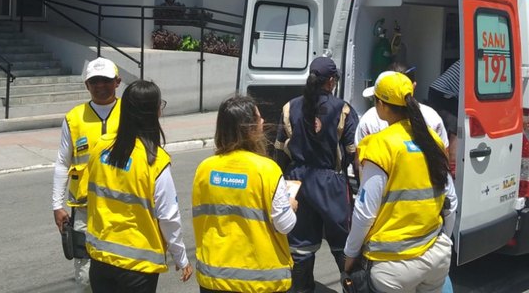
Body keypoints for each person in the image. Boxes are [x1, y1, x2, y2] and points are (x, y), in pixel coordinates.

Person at [344, 72, 458, 293]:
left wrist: (350, 255)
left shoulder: (379, 146)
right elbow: (450, 201)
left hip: (394, 265)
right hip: (436, 255)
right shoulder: (432, 140)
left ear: (382, 104)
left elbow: (365, 213)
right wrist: (441, 240)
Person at [85, 80, 192, 292]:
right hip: (137, 267)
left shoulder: (101, 146)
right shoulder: (155, 160)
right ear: (153, 113)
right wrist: (181, 258)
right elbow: (168, 218)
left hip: (100, 259)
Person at [193, 95, 297, 293]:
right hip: (261, 281)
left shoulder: (204, 169)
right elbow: (285, 225)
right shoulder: (268, 170)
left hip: (214, 278)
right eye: (258, 118)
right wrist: (290, 205)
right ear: (249, 128)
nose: (263, 121)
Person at [274, 56, 358, 292]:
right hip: (332, 185)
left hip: (297, 183)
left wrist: (280, 185)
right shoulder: (342, 109)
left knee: (300, 248)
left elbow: (279, 151)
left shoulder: (290, 107)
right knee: (343, 245)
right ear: (331, 81)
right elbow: (353, 153)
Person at [52, 57, 122, 292]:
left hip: (123, 207)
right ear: (86, 85)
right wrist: (56, 205)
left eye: (105, 80)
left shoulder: (130, 113)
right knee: (85, 276)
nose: (100, 85)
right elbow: (62, 162)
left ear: (117, 82)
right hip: (84, 210)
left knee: (122, 269)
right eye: (94, 81)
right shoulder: (73, 118)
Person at [356, 64, 448, 149]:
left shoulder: (369, 120)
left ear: (380, 104)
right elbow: (444, 156)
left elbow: (360, 161)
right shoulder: (432, 117)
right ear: (413, 86)